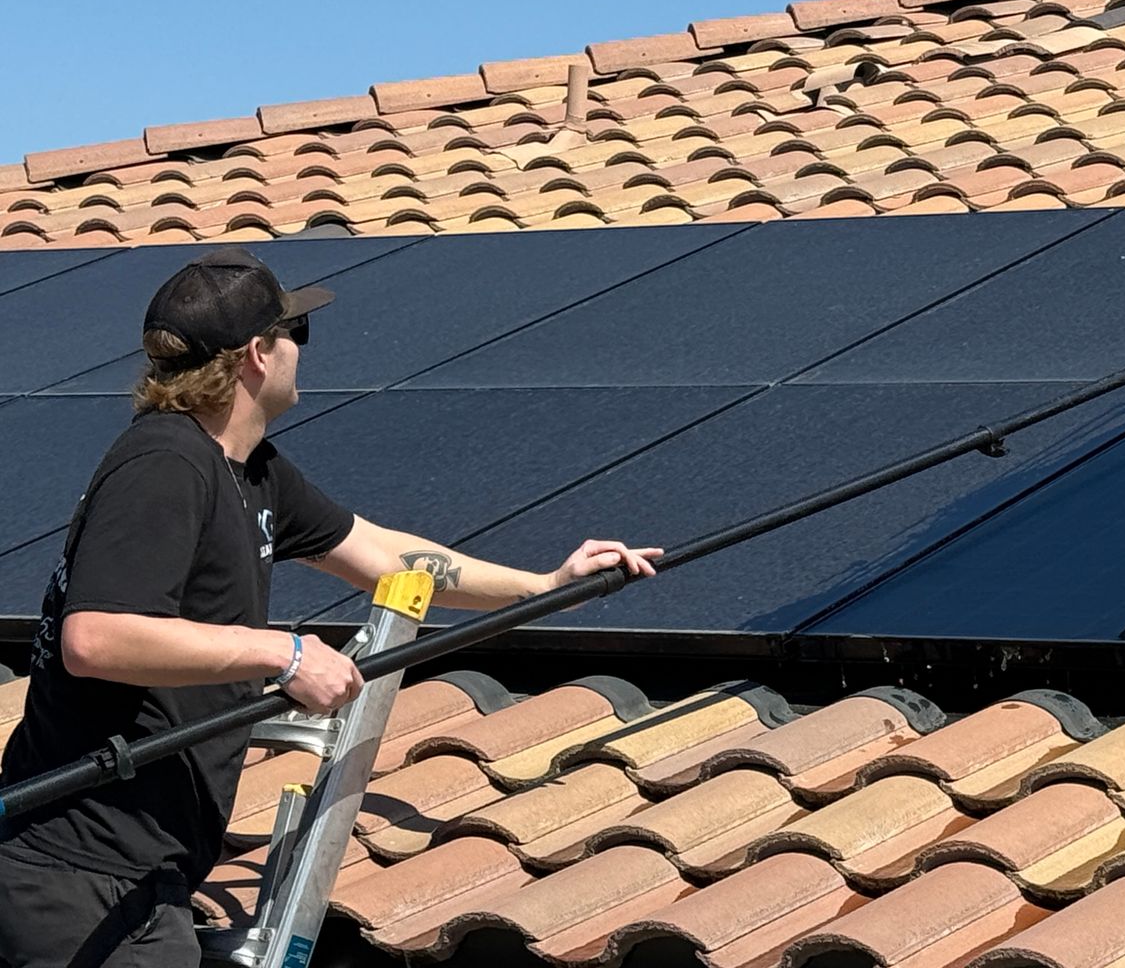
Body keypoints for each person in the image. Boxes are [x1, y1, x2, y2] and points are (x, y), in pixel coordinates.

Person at [0, 247, 663, 967]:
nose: (299, 351)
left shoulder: (251, 472)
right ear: (257, 354)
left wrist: (541, 584)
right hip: (76, 876)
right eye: (295, 335)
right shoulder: (163, 463)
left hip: (137, 872)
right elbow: (95, 639)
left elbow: (382, 556)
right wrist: (280, 654)